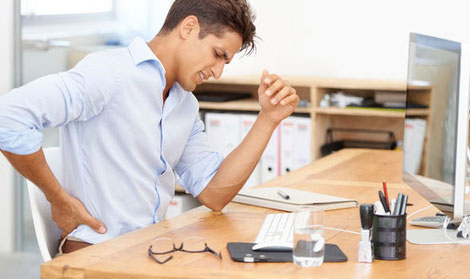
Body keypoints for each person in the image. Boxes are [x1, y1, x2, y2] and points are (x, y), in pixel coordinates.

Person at [0, 0, 298, 254]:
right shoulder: (109, 74)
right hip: (97, 253)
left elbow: (213, 193)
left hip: (149, 250)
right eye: (218, 54)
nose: (218, 72)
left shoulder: (185, 106)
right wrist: (58, 199)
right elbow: (8, 117)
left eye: (226, 63)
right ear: (189, 27)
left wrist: (268, 119)